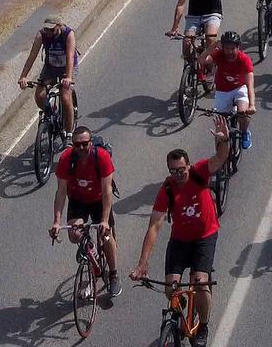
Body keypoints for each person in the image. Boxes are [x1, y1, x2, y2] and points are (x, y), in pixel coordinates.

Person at [129, 118, 232, 347]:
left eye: (182, 169)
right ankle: (181, 308)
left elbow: (220, 158)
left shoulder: (199, 172)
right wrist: (142, 264)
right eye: (173, 171)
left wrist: (224, 140)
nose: (178, 174)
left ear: (189, 165)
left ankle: (203, 325)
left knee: (200, 283)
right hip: (180, 240)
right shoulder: (167, 189)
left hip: (205, 237)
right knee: (171, 289)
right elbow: (154, 226)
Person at [51, 126, 121, 300]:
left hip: (99, 199)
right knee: (74, 235)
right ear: (72, 145)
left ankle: (113, 274)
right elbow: (61, 192)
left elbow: (107, 192)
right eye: (77, 144)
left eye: (84, 144)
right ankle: (90, 251)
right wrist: (57, 221)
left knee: (106, 236)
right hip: (78, 199)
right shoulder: (66, 159)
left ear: (90, 142)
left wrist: (104, 221)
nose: (81, 148)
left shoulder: (101, 157)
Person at [198, 30, 256, 150]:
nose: (229, 52)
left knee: (242, 112)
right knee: (220, 125)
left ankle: (245, 132)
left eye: (232, 48)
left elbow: (250, 85)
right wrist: (213, 46)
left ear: (238, 48)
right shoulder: (219, 54)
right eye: (227, 48)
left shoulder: (244, 60)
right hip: (222, 91)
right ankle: (221, 153)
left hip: (239, 88)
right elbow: (201, 60)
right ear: (222, 48)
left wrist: (252, 105)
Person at [18, 15, 78, 131]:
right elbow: (32, 56)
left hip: (67, 68)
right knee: (39, 96)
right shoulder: (41, 35)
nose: (48, 32)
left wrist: (68, 77)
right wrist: (23, 76)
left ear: (59, 26)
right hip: (50, 67)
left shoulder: (68, 34)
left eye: (51, 29)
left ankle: (69, 134)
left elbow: (70, 57)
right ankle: (52, 114)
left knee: (66, 97)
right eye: (46, 29)